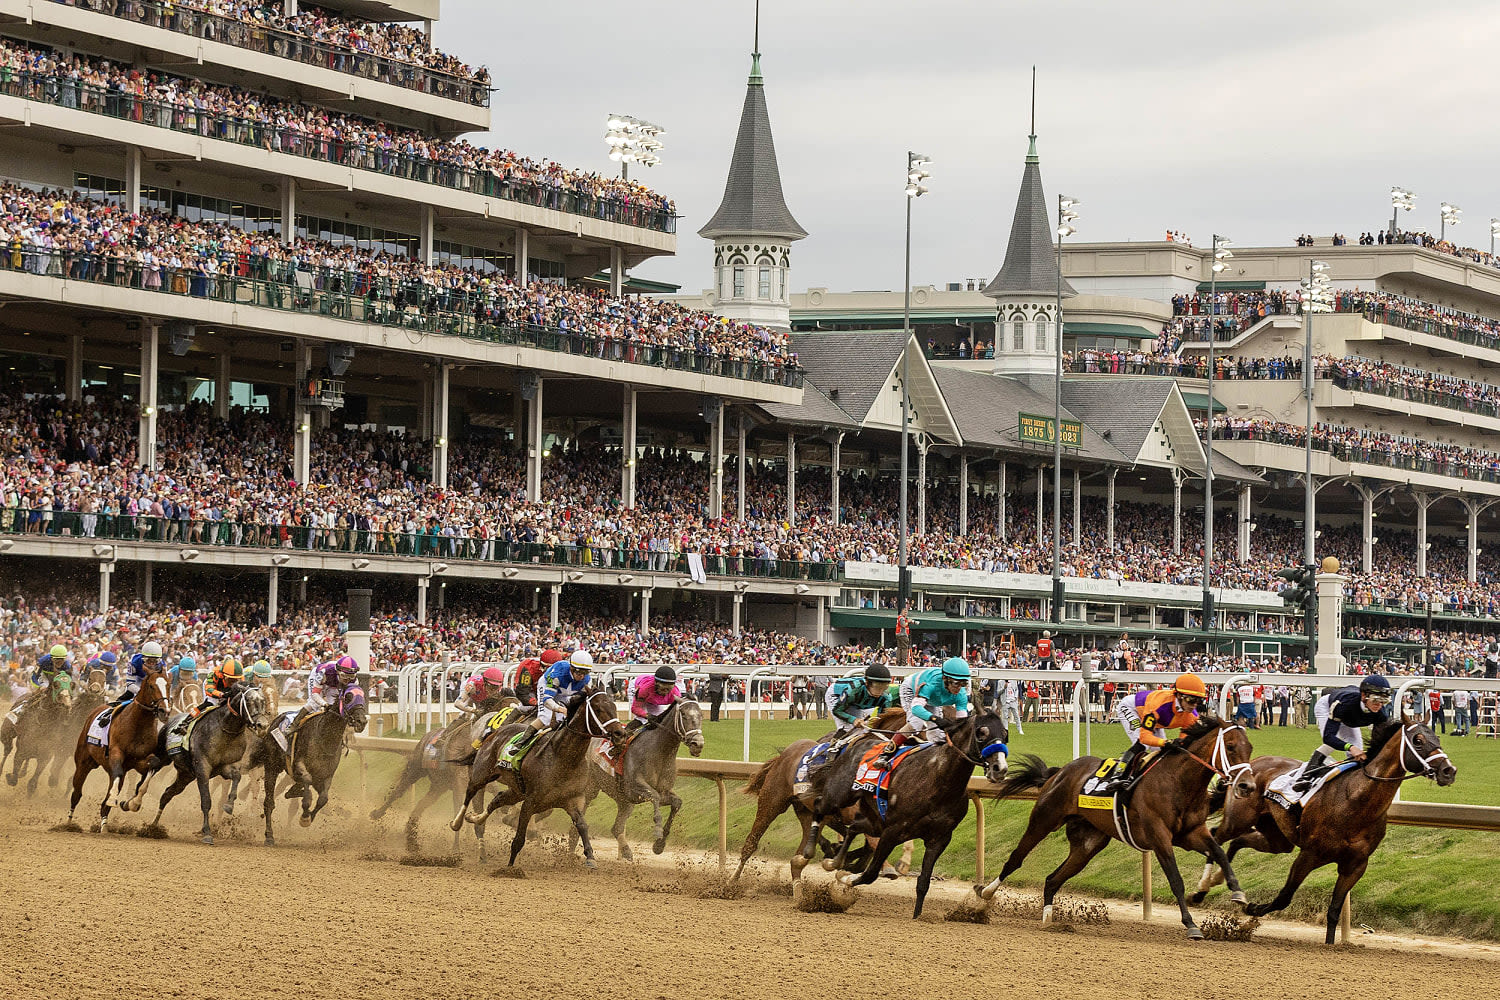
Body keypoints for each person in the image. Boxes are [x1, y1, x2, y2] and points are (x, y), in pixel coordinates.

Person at [1292, 674, 1392, 792]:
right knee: (1334, 743)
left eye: (1383, 701)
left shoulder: (1381, 714)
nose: (1379, 705)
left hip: (1350, 718)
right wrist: (1350, 747)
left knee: (1358, 755)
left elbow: (1378, 742)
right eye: (1376, 700)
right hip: (1327, 707)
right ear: (1364, 695)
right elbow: (1328, 737)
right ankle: (1306, 776)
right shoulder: (1343, 704)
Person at [1111, 672, 1208, 782]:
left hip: (1156, 721)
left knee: (1158, 750)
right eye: (1191, 700)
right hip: (1132, 709)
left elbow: (1183, 743)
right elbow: (1145, 737)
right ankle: (1118, 774)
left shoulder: (1191, 716)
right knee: (1142, 744)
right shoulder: (1159, 704)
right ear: (1180, 696)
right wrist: (1166, 742)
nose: (1194, 705)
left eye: (1199, 701)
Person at [878, 657, 972, 764]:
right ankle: (886, 753)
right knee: (915, 723)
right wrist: (935, 719)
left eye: (963, 684)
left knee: (937, 735)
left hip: (931, 700)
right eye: (956, 683)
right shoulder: (930, 685)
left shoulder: (961, 695)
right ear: (945, 679)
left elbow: (962, 721)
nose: (959, 688)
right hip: (912, 690)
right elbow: (916, 709)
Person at [515, 649, 594, 751]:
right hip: (547, 686)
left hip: (564, 692)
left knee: (563, 718)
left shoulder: (587, 680)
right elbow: (547, 699)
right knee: (546, 717)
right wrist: (559, 709)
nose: (582, 676)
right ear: (572, 668)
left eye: (586, 672)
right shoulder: (558, 674)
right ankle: (520, 743)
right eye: (579, 672)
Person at [611, 666, 681, 756]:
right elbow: (635, 708)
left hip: (652, 698)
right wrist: (647, 715)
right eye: (663, 689)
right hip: (637, 687)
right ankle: (619, 742)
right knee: (642, 719)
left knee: (660, 722)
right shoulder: (645, 689)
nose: (665, 692)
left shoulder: (675, 694)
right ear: (656, 684)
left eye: (668, 689)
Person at [825, 663, 895, 739]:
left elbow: (881, 718)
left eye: (884, 687)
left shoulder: (887, 698)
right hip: (836, 696)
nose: (880, 692)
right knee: (847, 729)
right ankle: (833, 747)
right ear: (867, 683)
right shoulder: (853, 691)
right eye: (877, 687)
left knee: (862, 730)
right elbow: (837, 710)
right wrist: (853, 720)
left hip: (856, 702)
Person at [111, 639, 164, 707]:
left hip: (153, 684)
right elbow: (129, 683)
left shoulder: (162, 665)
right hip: (137, 682)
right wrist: (142, 693)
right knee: (126, 697)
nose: (151, 663)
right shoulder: (134, 662)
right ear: (143, 658)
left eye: (155, 661)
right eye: (148, 660)